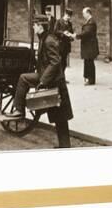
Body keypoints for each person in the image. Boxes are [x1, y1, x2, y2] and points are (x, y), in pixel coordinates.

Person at [6, 15, 73, 148]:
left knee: (23, 78)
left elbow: (55, 62)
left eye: (35, 25)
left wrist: (42, 81)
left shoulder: (48, 40)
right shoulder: (45, 38)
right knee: (60, 116)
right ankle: (65, 146)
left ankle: (19, 110)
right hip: (52, 79)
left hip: (54, 81)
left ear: (41, 27)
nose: (33, 27)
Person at [68, 7, 99, 85]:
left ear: (88, 13)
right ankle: (88, 78)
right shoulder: (89, 21)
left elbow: (86, 33)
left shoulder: (91, 22)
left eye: (84, 13)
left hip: (90, 46)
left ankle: (91, 80)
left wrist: (76, 35)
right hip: (88, 45)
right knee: (87, 61)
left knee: (89, 62)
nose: (83, 15)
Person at [54, 8, 74, 78]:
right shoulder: (59, 21)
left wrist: (71, 36)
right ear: (65, 14)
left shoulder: (69, 23)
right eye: (68, 16)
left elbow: (71, 32)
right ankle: (59, 77)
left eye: (70, 16)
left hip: (66, 45)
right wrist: (63, 33)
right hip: (60, 45)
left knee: (64, 63)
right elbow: (55, 31)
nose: (69, 18)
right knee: (59, 62)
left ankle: (62, 77)